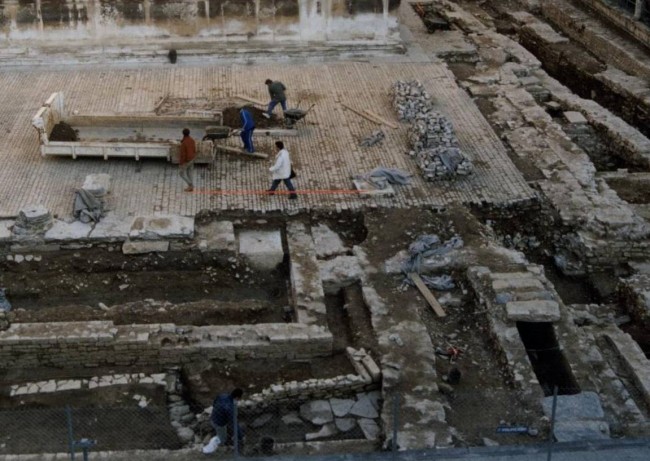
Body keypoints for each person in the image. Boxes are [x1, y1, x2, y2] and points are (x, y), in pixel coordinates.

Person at [179, 128, 196, 192]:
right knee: (190, 173)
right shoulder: (192, 140)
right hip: (192, 158)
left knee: (181, 173)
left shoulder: (184, 143)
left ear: (183, 134)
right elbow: (194, 149)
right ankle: (190, 187)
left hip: (187, 160)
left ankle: (190, 184)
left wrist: (181, 163)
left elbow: (183, 154)